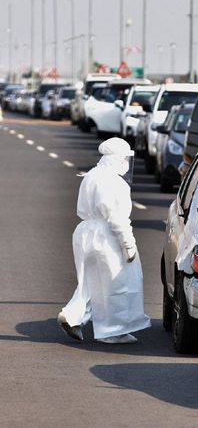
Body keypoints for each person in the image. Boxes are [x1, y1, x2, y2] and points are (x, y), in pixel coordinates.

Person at [58, 137, 151, 344]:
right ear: (117, 158)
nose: (126, 163)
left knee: (90, 281)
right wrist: (128, 243)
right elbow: (115, 217)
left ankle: (73, 315)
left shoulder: (92, 176)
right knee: (117, 282)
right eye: (125, 158)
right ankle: (112, 331)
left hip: (85, 232)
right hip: (106, 235)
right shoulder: (112, 181)